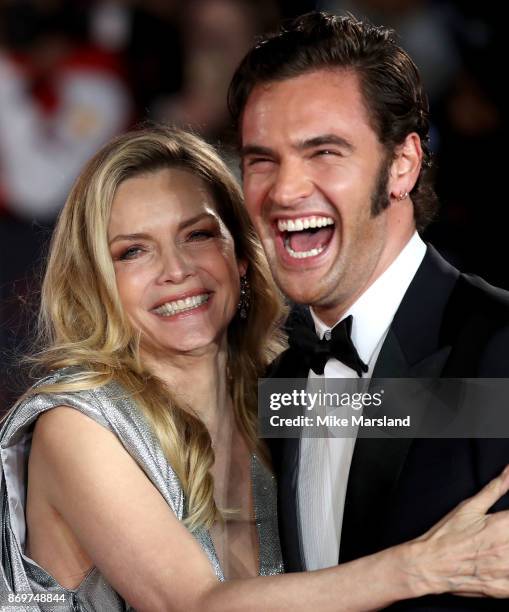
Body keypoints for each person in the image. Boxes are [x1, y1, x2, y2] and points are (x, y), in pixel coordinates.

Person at [1, 126, 509, 612]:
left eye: (197, 235)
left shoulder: (283, 394)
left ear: (241, 256)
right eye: (133, 251)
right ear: (96, 281)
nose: (176, 270)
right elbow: (194, 604)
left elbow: (459, 407)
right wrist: (425, 566)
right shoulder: (78, 426)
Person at [227, 11, 509, 611]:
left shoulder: (499, 351)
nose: (283, 191)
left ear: (403, 164)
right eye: (262, 160)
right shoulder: (280, 386)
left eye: (324, 152)